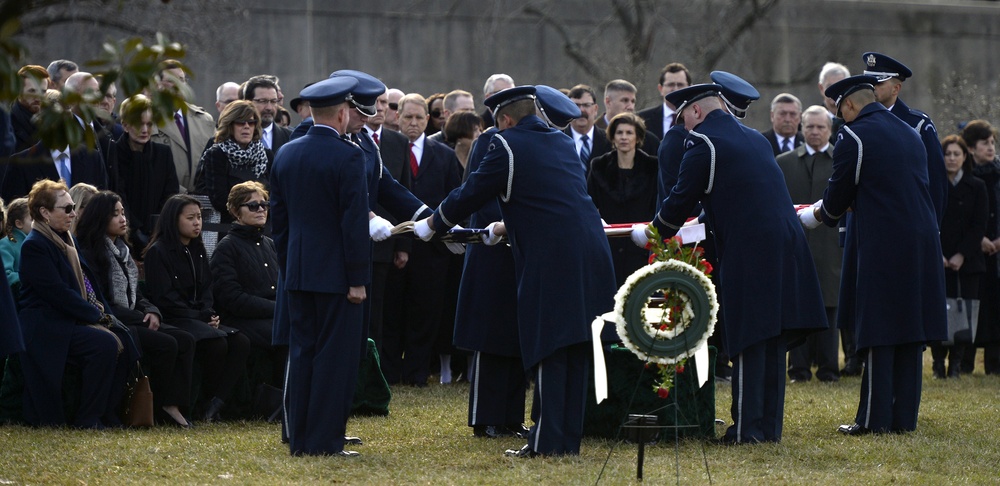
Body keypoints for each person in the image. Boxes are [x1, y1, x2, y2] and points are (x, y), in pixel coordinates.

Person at [415, 85, 617, 458]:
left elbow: (471, 192)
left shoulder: (505, 145)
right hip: (591, 254)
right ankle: (566, 438)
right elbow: (549, 203)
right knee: (575, 348)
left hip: (552, 259)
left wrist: (433, 223)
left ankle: (548, 442)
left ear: (505, 121)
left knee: (551, 346)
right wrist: (502, 227)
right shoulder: (561, 143)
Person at [633, 83, 828, 444]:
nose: (684, 128)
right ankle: (768, 427)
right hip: (786, 245)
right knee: (771, 338)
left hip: (751, 249)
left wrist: (651, 233)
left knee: (750, 338)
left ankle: (748, 430)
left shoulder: (703, 142)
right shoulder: (755, 138)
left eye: (684, 119)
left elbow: (680, 199)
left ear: (695, 112)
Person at [800, 75, 945, 435]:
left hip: (884, 240)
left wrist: (816, 215)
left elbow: (838, 195)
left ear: (849, 105)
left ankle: (873, 420)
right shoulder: (910, 131)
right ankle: (903, 418)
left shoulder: (854, 135)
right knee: (910, 327)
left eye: (838, 111)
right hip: (922, 239)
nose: (838, 120)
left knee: (879, 326)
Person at [270, 76, 370, 457]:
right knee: (334, 360)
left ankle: (300, 439)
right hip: (337, 277)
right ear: (343, 114)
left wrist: (288, 266)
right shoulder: (349, 156)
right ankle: (325, 441)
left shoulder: (288, 153)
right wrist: (358, 279)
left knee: (303, 354)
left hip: (297, 271)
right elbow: (352, 223)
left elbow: (279, 222)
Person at [16, 179, 133, 428]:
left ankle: (108, 412)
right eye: (66, 208)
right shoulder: (35, 246)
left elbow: (91, 286)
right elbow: (57, 294)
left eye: (72, 207)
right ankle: (87, 417)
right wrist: (95, 315)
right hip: (47, 325)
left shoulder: (68, 240)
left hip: (71, 319)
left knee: (127, 339)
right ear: (45, 213)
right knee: (104, 344)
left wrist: (107, 316)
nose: (73, 213)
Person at [74, 191, 196, 427]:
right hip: (113, 321)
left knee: (185, 339)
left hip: (134, 317)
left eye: (123, 213)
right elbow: (102, 300)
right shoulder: (91, 253)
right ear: (100, 218)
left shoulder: (123, 250)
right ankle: (155, 406)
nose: (123, 219)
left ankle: (172, 405)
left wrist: (151, 310)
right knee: (167, 344)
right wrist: (140, 317)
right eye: (115, 214)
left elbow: (136, 293)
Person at [143, 194, 251, 422]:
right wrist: (200, 316)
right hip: (175, 318)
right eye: (190, 218)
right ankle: (202, 401)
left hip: (199, 318)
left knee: (241, 341)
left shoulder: (198, 249)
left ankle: (216, 403)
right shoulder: (158, 252)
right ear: (174, 220)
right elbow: (165, 298)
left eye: (200, 217)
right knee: (217, 343)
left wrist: (209, 313)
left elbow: (207, 288)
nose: (197, 223)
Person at [776, 105, 842, 383]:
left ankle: (829, 368)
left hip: (831, 247)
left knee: (831, 306)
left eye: (821, 127)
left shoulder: (841, 159)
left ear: (830, 130)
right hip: (796, 247)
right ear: (802, 129)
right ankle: (798, 368)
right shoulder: (784, 162)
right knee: (797, 305)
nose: (815, 132)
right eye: (810, 127)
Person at [209, 181, 285, 389]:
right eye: (252, 205)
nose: (261, 209)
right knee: (287, 333)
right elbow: (231, 298)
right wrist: (278, 308)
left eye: (264, 204)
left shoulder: (270, 244)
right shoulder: (227, 247)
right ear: (235, 211)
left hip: (273, 314)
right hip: (241, 319)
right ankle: (280, 399)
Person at [931, 135, 987, 379]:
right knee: (936, 311)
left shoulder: (977, 186)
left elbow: (979, 224)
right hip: (937, 259)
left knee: (963, 312)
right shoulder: (933, 185)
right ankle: (937, 363)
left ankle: (957, 363)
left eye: (956, 154)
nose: (951, 159)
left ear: (965, 157)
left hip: (967, 261)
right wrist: (939, 254)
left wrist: (962, 254)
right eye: (947, 154)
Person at [587, 112, 657, 287]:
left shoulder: (653, 167)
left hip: (643, 245)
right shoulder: (598, 166)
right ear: (612, 137)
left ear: (638, 137)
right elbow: (589, 204)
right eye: (619, 133)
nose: (624, 137)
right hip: (609, 246)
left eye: (629, 133)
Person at [114, 94, 180, 253]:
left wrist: (157, 228)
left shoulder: (163, 154)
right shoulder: (113, 153)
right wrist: (134, 230)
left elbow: (170, 194)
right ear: (125, 125)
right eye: (139, 124)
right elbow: (117, 193)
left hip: (158, 234)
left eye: (149, 124)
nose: (144, 130)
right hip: (122, 234)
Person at [962, 120, 1000, 375]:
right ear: (972, 148)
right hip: (972, 253)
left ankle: (995, 365)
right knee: (972, 304)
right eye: (985, 143)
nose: (991, 148)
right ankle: (964, 362)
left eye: (993, 143)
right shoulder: (965, 178)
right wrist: (979, 239)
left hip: (997, 253)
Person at [200, 100, 272, 226]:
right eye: (240, 122)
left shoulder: (265, 154)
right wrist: (250, 211)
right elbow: (219, 200)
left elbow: (273, 193)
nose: (246, 126)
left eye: (251, 122)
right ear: (230, 125)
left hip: (262, 227)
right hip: (229, 227)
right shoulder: (217, 154)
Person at [1, 197, 30, 296]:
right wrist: (31, 278)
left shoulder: (35, 243)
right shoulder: (6, 244)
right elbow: (5, 276)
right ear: (19, 223)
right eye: (33, 219)